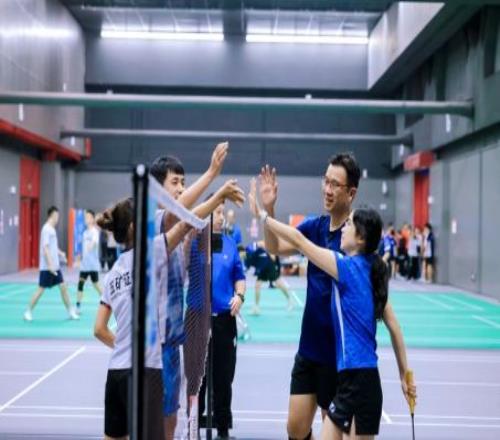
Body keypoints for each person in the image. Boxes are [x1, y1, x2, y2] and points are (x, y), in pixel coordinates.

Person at [257, 155, 411, 440]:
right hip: (309, 348)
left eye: (335, 184)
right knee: (295, 428)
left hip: (339, 360)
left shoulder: (356, 243)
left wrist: (405, 372)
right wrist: (269, 208)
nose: (327, 189)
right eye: (325, 181)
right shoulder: (315, 227)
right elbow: (275, 247)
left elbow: (387, 312)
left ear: (351, 192)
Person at [150, 142, 245, 440]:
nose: (181, 188)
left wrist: (216, 198)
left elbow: (190, 217)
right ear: (157, 189)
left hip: (172, 340)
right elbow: (182, 214)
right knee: (152, 418)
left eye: (183, 182)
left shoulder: (185, 229)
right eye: (175, 182)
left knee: (170, 416)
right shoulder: (155, 221)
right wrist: (213, 176)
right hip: (152, 344)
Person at [94, 198, 191, 440]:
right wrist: (217, 192)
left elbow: (99, 329)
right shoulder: (151, 253)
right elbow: (184, 225)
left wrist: (124, 345)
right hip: (142, 374)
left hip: (115, 373)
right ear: (133, 227)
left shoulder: (113, 273)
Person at [198, 201, 246, 440]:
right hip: (199, 320)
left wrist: (240, 296)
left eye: (221, 213)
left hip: (225, 322)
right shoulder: (194, 243)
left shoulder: (230, 243)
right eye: (216, 212)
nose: (221, 217)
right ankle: (193, 426)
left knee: (224, 377)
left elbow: (240, 276)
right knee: (198, 378)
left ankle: (223, 429)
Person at [24, 206, 78, 321]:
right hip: (47, 267)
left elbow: (52, 247)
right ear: (52, 215)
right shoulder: (46, 229)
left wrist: (61, 253)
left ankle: (71, 312)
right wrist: (50, 265)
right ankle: (28, 311)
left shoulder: (52, 229)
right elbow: (45, 248)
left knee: (63, 287)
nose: (58, 218)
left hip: (55, 266)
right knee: (40, 289)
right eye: (57, 216)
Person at [76, 209, 103, 314]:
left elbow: (94, 243)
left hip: (93, 265)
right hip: (85, 265)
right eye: (85, 217)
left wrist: (91, 246)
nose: (86, 219)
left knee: (96, 285)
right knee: (80, 284)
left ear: (92, 219)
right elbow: (83, 249)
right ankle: (78, 307)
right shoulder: (84, 233)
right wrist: (79, 259)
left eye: (88, 217)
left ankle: (107, 302)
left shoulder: (94, 232)